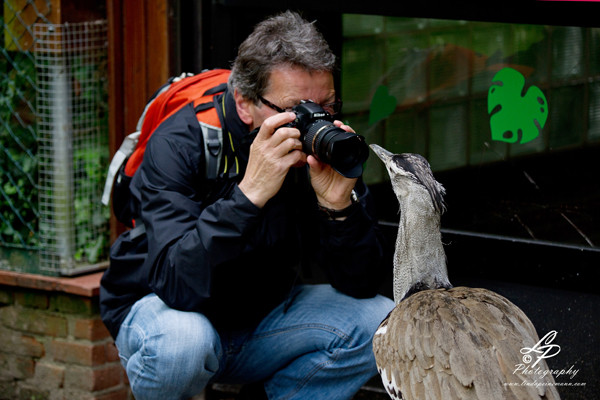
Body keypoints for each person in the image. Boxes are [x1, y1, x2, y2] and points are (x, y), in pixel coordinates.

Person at [100, 10, 394, 400]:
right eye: (298, 111)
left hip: (259, 320)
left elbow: (360, 286)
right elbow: (175, 284)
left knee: (382, 324)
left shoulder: (320, 152)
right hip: (166, 317)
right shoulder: (181, 144)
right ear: (244, 103)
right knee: (185, 342)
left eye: (325, 108)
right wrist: (248, 196)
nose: (315, 124)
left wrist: (339, 210)